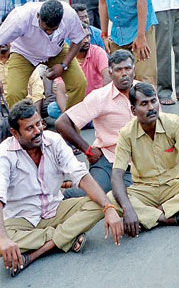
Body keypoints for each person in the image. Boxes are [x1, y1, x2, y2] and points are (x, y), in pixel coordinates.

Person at [0, 99, 122, 277]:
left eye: (39, 124)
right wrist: (3, 239)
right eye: (29, 128)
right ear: (14, 133)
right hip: (21, 219)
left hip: (55, 210)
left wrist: (108, 207)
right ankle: (67, 236)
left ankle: (38, 252)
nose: (38, 131)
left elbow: (80, 176)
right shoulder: (4, 154)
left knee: (102, 203)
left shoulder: (53, 140)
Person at [94, 82, 179, 236]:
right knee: (112, 198)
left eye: (153, 101)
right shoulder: (126, 134)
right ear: (133, 110)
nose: (151, 108)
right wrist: (128, 209)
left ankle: (150, 216)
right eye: (144, 104)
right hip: (145, 189)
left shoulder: (173, 123)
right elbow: (116, 176)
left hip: (175, 185)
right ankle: (169, 218)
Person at [55, 49, 136, 195]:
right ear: (110, 74)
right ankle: (52, 200)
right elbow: (62, 123)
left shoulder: (145, 92)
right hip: (109, 159)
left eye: (128, 68)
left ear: (134, 70)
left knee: (131, 198)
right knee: (92, 195)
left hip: (140, 160)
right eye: (118, 70)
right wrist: (87, 149)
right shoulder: (100, 97)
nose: (124, 74)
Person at [0, 0, 87, 110]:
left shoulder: (69, 15)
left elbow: (78, 39)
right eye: (46, 29)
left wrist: (64, 65)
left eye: (54, 30)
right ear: (38, 16)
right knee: (14, 93)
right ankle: (21, 126)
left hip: (57, 50)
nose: (49, 33)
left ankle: (70, 122)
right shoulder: (20, 17)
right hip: (24, 53)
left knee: (79, 83)